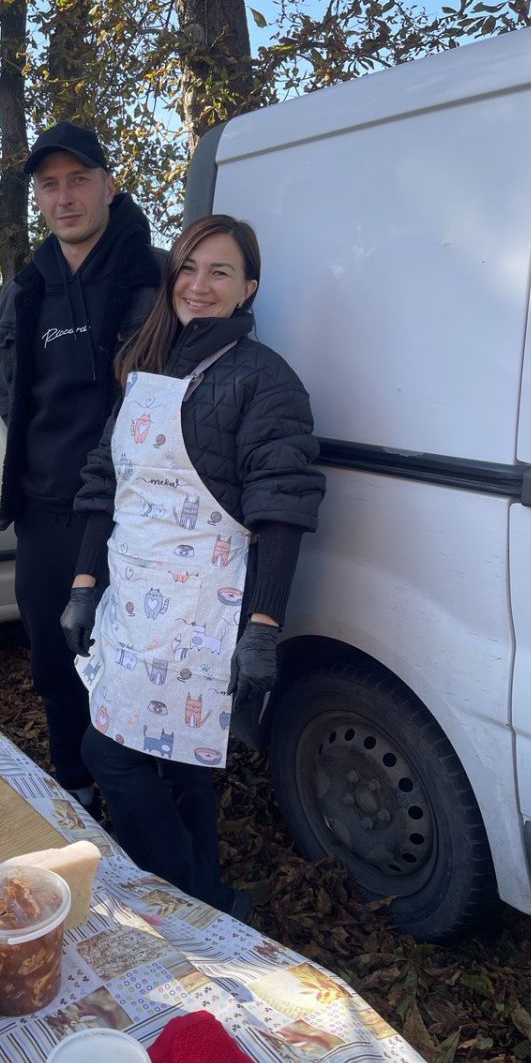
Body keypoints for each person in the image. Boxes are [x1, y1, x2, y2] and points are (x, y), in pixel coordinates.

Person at [60, 214, 324, 916]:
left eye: (220, 272)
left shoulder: (264, 379)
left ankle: (187, 898)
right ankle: (211, 898)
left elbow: (282, 504)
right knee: (177, 763)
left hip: (201, 608)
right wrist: (84, 584)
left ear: (248, 289)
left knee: (109, 752)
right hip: (131, 595)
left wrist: (264, 625)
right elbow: (105, 480)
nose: (199, 285)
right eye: (189, 268)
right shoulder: (147, 368)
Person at [0, 121, 163, 814]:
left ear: (109, 185)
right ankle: (76, 787)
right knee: (54, 660)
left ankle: (140, 797)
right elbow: (13, 394)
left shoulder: (154, 278)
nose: (64, 198)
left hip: (131, 515)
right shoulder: (26, 287)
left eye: (78, 180)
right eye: (49, 185)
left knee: (130, 663)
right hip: (44, 512)